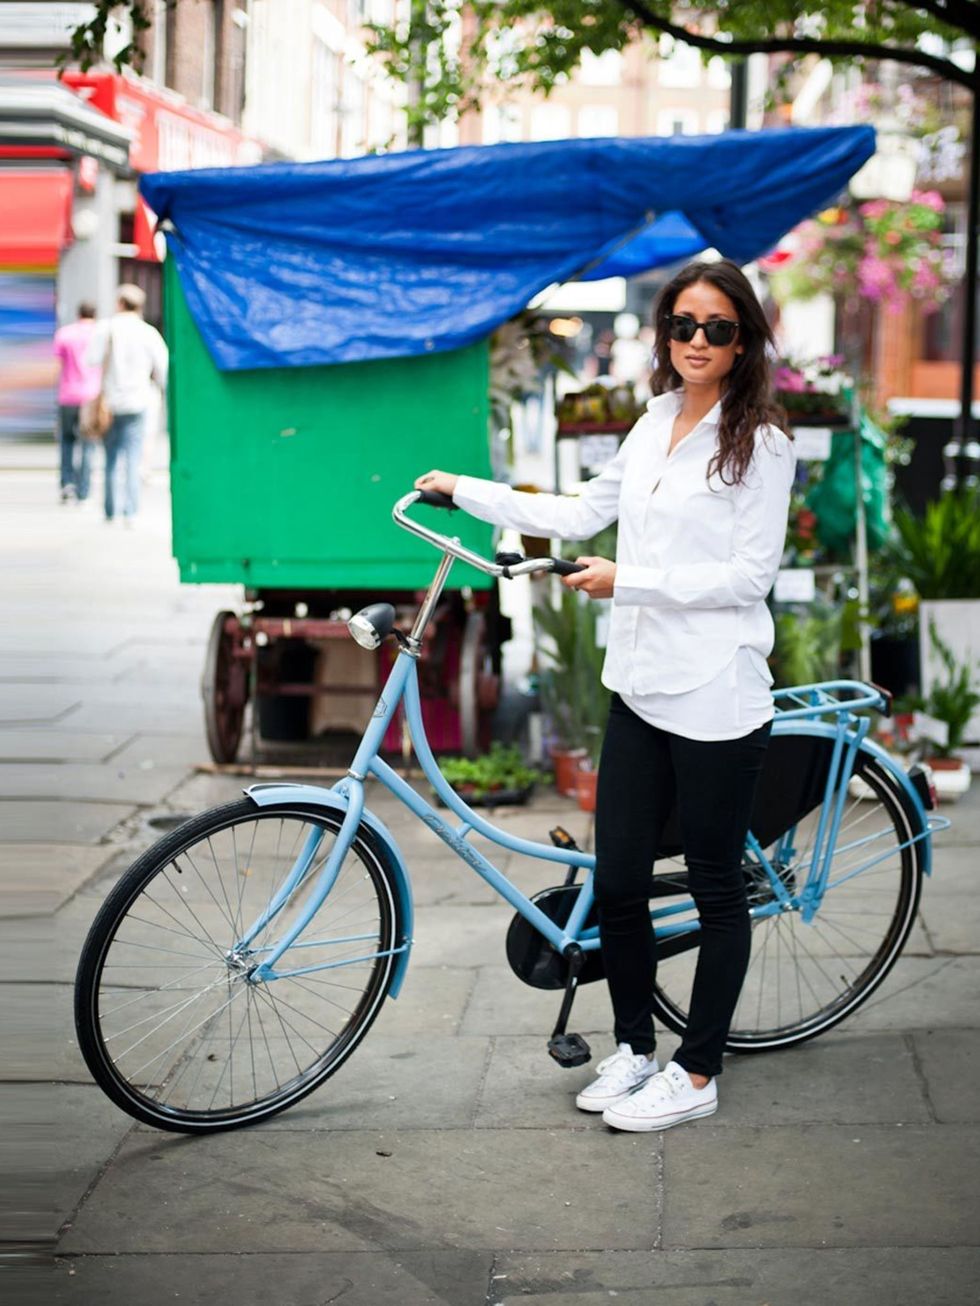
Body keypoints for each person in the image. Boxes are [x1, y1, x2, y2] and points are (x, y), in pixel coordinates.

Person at [415, 259, 795, 1133]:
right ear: (665, 333)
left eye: (719, 328)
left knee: (713, 886)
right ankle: (633, 1050)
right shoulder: (656, 418)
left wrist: (633, 581)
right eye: (684, 325)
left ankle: (696, 1074)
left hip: (714, 694)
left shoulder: (762, 441)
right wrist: (465, 491)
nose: (698, 342)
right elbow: (582, 512)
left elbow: (749, 578)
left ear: (746, 341)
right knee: (618, 882)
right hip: (639, 687)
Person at [88, 284, 168, 525]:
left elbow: (90, 360)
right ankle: (131, 511)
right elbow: (163, 369)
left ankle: (111, 510)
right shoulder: (148, 332)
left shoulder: (106, 328)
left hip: (110, 403)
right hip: (138, 401)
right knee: (134, 457)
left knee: (111, 458)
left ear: (120, 303)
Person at [52, 301, 100, 504]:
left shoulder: (64, 334)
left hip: (68, 394)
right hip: (91, 395)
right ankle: (84, 490)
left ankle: (67, 484)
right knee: (88, 443)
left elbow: (57, 365)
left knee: (67, 441)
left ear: (78, 313)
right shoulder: (100, 334)